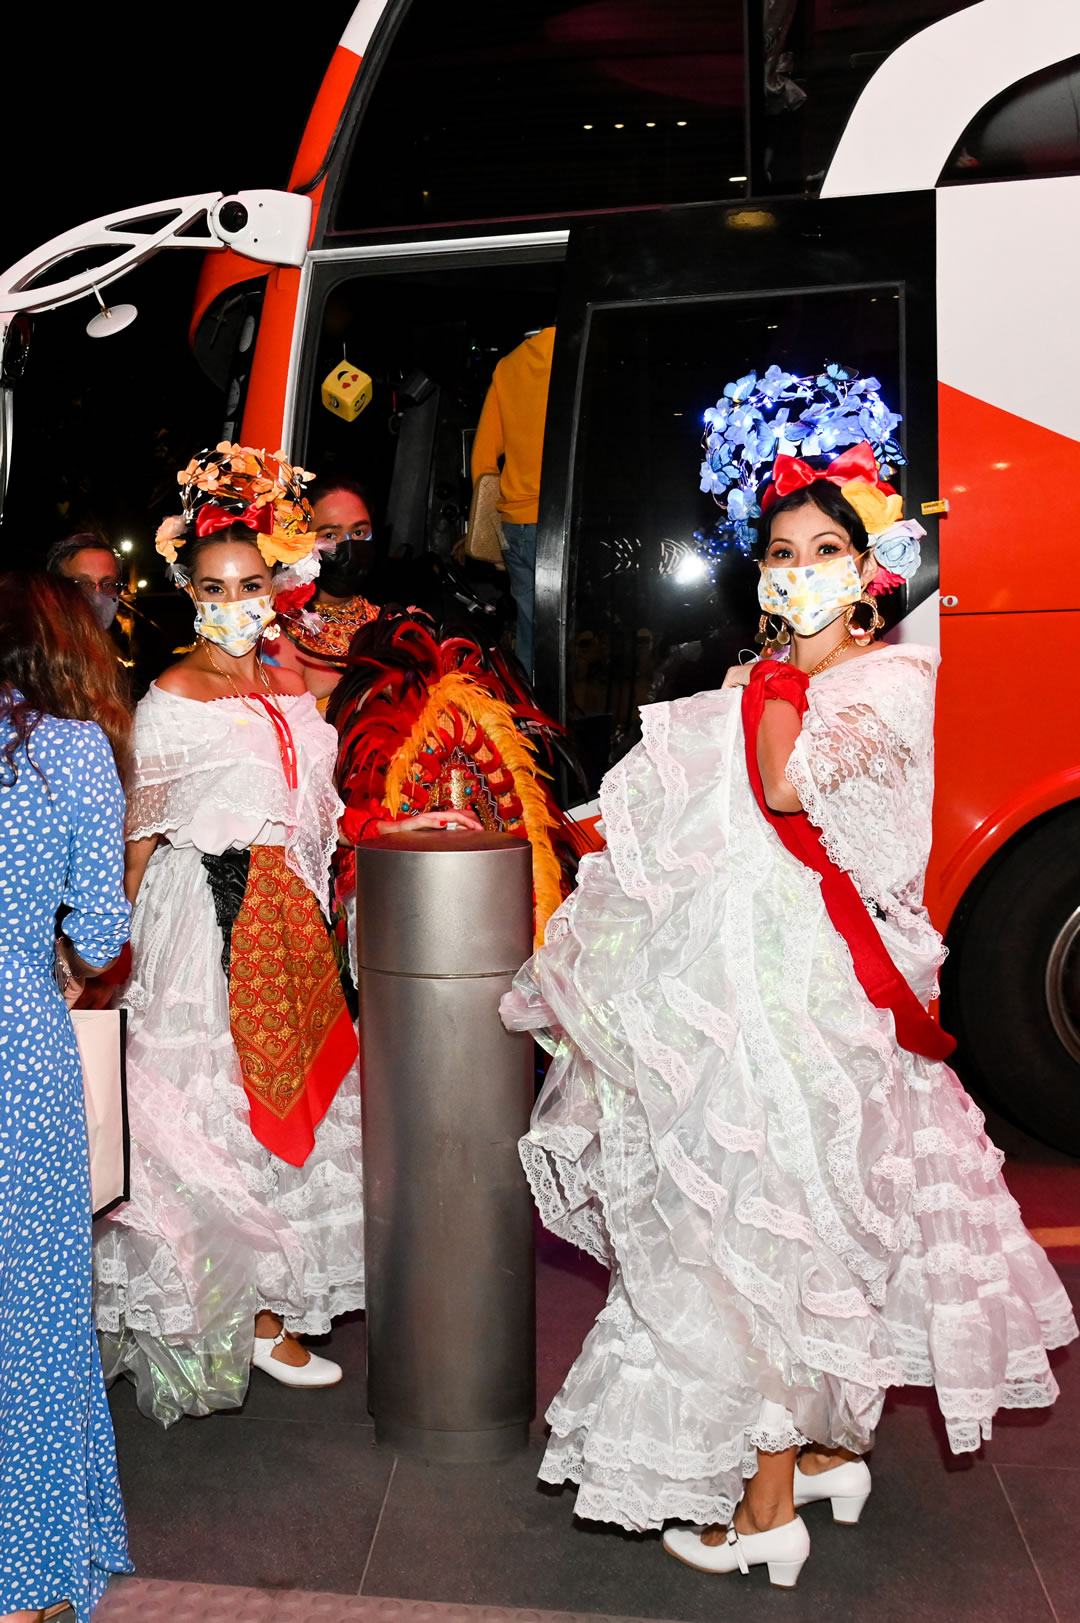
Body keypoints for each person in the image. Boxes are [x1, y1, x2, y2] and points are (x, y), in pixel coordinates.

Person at [501, 399, 1077, 1585]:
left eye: (826, 554)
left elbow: (781, 792)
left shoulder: (883, 686)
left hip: (814, 1003)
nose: (800, 575)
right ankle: (820, 1449)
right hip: (746, 986)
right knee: (766, 1213)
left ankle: (766, 1513)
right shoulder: (770, 673)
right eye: (782, 555)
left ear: (870, 570)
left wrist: (768, 691)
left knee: (773, 1224)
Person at [93, 445, 373, 1425]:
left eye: (250, 584)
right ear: (186, 591)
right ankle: (238, 1316)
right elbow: (137, 835)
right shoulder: (172, 699)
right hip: (200, 916)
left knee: (283, 1110)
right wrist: (108, 956)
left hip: (283, 916)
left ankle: (261, 1308)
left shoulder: (288, 688)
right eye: (212, 587)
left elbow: (311, 810)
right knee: (207, 1120)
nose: (232, 602)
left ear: (279, 588)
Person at [0, 573, 133, 1622]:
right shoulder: (73, 753)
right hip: (19, 1060)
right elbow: (98, 935)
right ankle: (32, 1580)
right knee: (34, 1321)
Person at [471, 326, 555, 677]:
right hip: (560, 523)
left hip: (515, 526)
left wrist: (493, 539)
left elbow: (483, 460)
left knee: (531, 633)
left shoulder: (508, 365)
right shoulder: (585, 354)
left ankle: (529, 722)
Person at [272, 475, 381, 701]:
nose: (349, 545)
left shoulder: (389, 623)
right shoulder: (279, 634)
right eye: (330, 535)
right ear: (298, 543)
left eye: (359, 532)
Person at [44, 534, 124, 633]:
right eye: (83, 584)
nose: (98, 600)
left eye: (107, 585)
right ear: (54, 590)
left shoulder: (120, 643)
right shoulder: (33, 645)